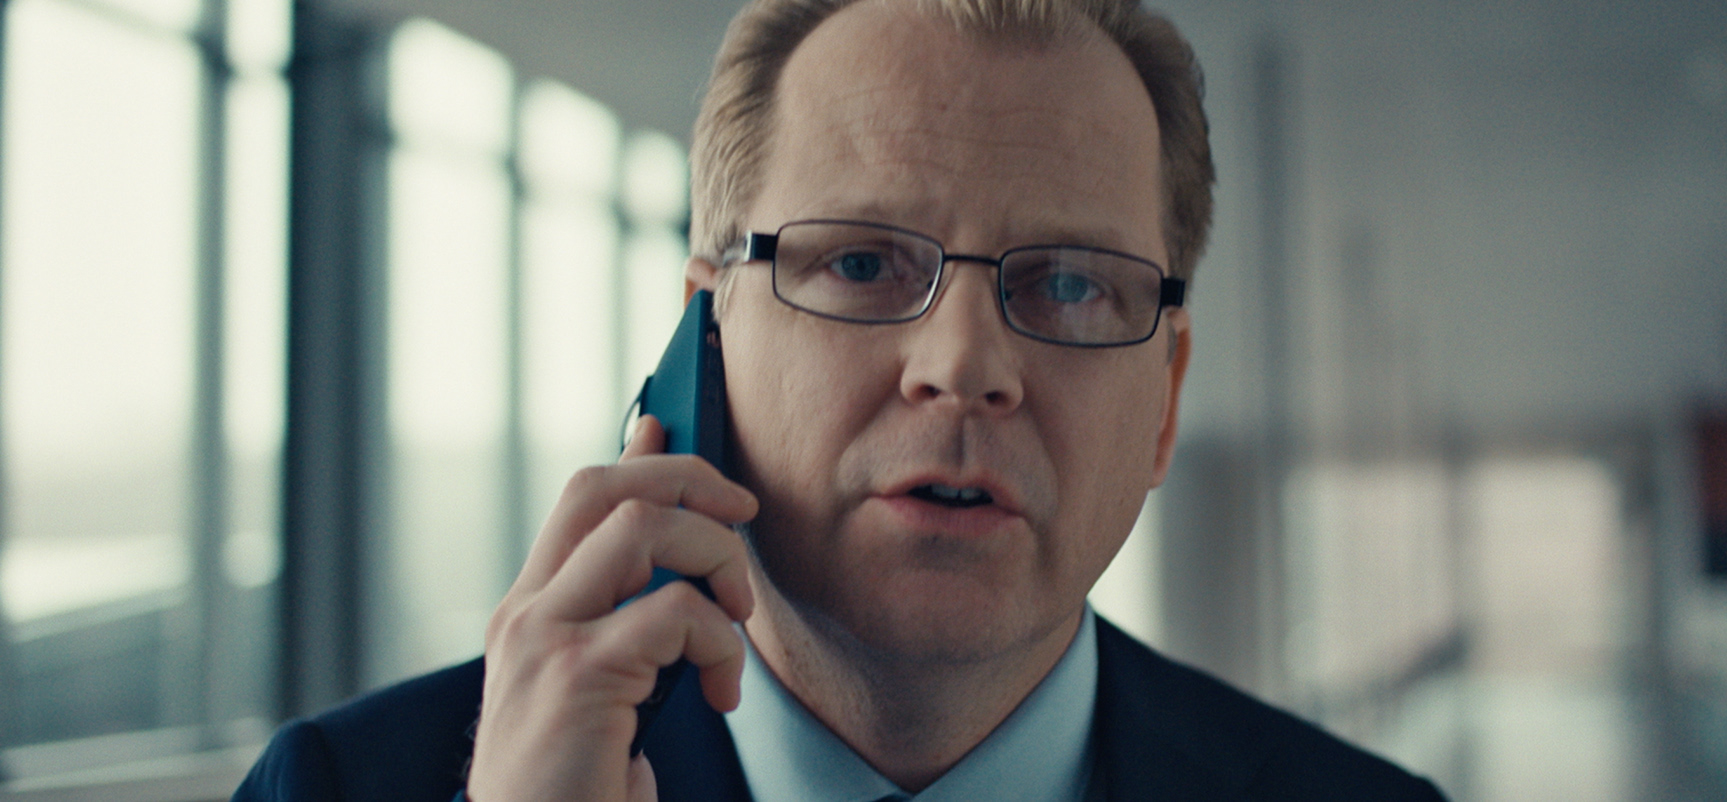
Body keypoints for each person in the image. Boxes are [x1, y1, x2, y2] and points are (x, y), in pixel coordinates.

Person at [236, 0, 1447, 799]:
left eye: (1072, 283)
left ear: (1166, 402)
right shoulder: (341, 788)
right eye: (862, 262)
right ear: (705, 337)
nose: (962, 365)